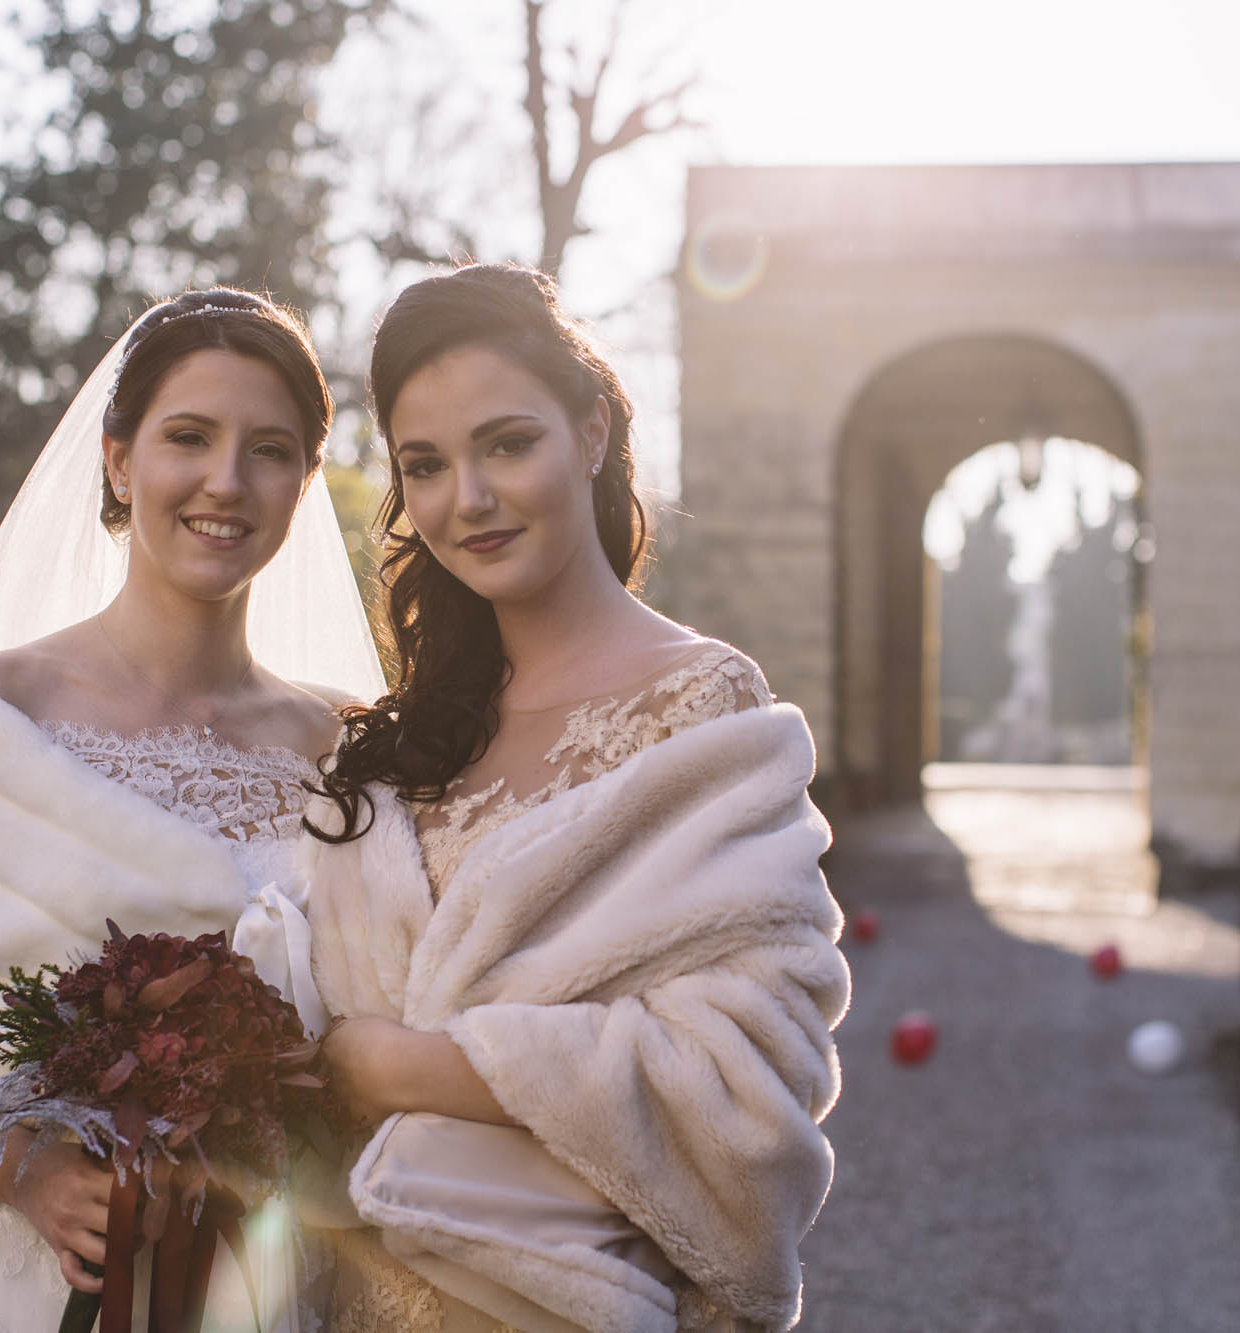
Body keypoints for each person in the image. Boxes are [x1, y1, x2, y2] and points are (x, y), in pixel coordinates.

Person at [0, 289, 382, 1333]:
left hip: (271, 1278)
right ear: (116, 458)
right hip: (10, 1279)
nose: (225, 481)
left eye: (269, 449)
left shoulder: (345, 743)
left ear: (302, 484)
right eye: (187, 436)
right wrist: (25, 1173)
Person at [301, 264, 852, 1333]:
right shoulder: (406, 732)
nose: (467, 499)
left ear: (591, 434)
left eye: (507, 444)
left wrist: (408, 1065)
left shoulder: (701, 703)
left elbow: (751, 1078)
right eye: (426, 465)